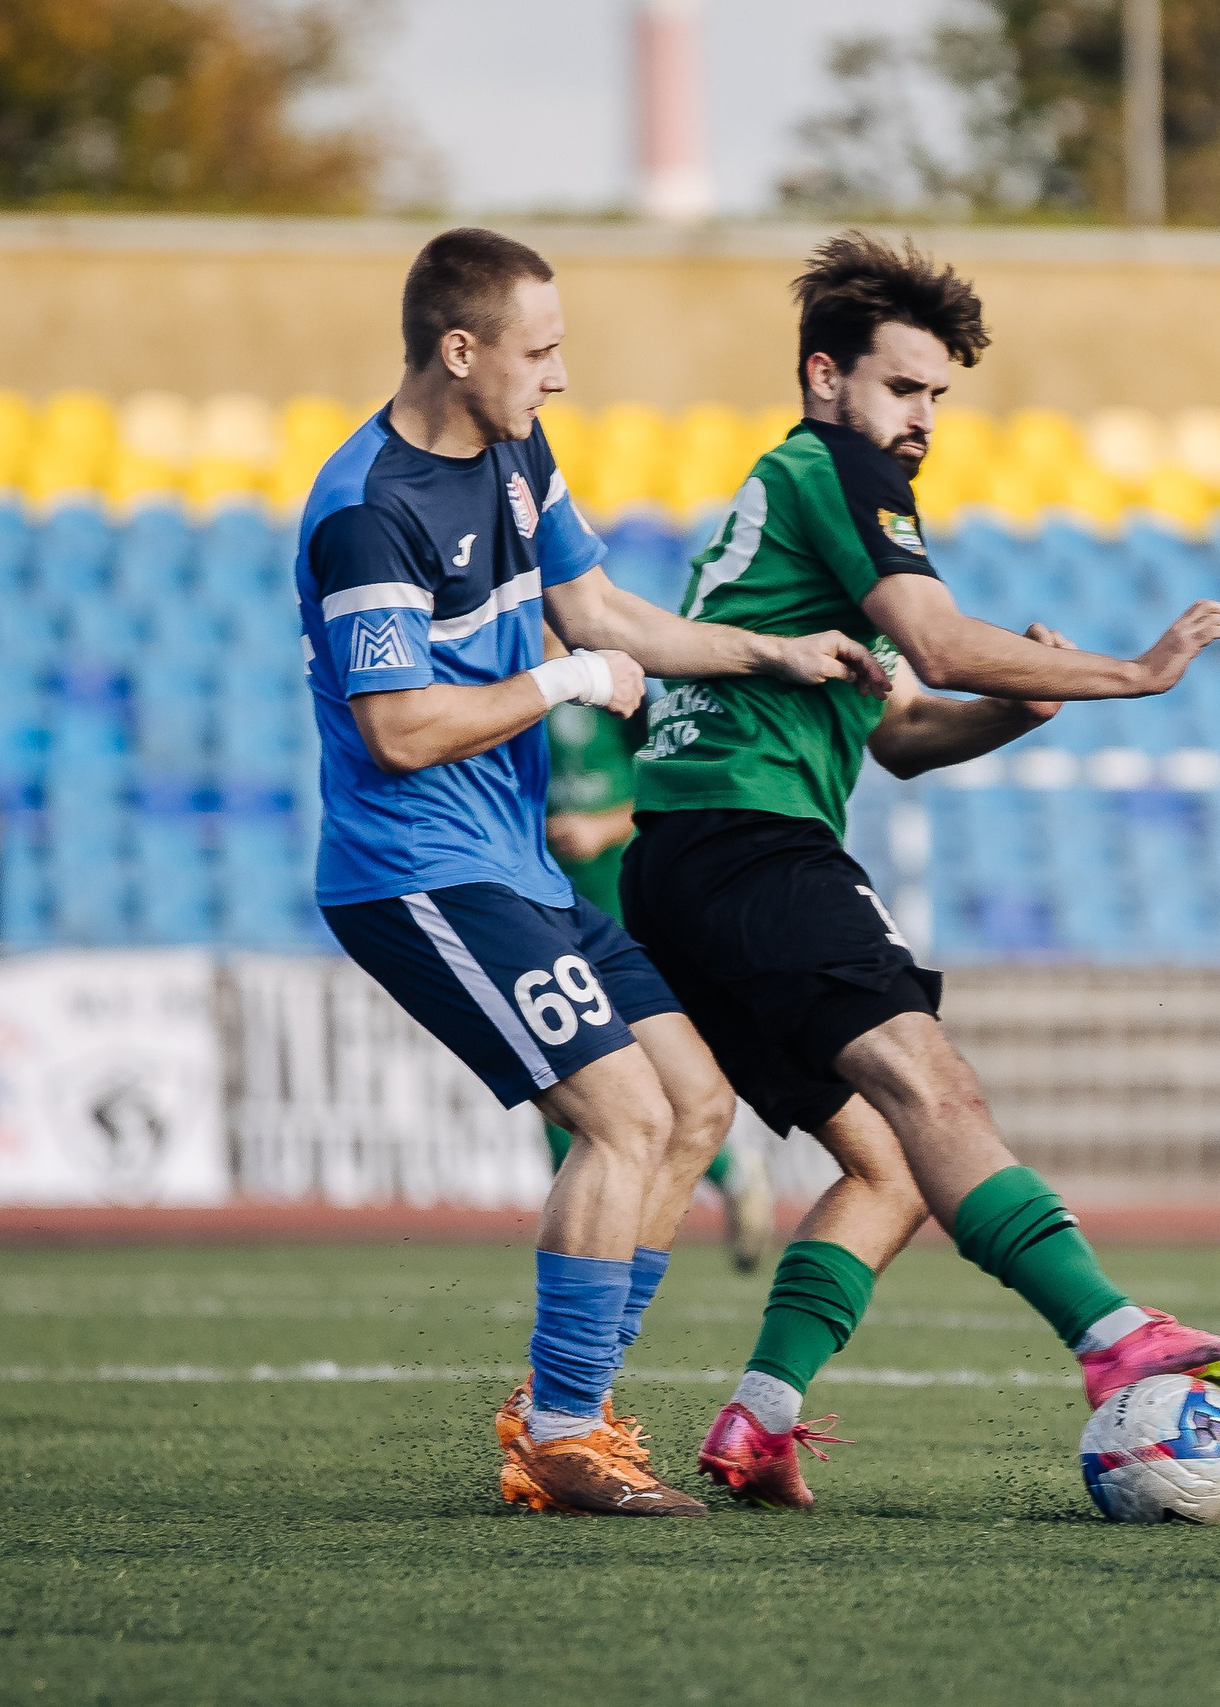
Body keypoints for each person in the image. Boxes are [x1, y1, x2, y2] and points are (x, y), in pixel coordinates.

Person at [618, 232, 1220, 1510]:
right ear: (825, 379)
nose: (922, 418)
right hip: (749, 843)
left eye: (937, 395)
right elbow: (938, 645)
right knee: (937, 1086)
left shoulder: (794, 501)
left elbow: (897, 733)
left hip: (684, 861)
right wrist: (1132, 673)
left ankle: (757, 1421)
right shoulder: (836, 465)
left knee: (888, 1161)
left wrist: (1021, 713)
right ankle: (1116, 1339)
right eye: (901, 387)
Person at [298, 226, 889, 1518]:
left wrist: (772, 653)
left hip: (513, 862)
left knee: (692, 1104)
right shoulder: (366, 510)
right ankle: (562, 1433)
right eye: (541, 349)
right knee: (620, 1112)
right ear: (461, 350)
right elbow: (399, 730)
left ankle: (574, 1414)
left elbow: (607, 614)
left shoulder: (514, 454)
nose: (559, 375)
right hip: (420, 873)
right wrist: (563, 681)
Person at [541, 673, 773, 1271]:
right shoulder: (499, 690)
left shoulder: (619, 693)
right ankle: (582, 1239)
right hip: (538, 907)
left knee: (636, 1074)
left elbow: (668, 785)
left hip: (621, 906)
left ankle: (724, 1175)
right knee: (556, 1076)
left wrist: (603, 824)